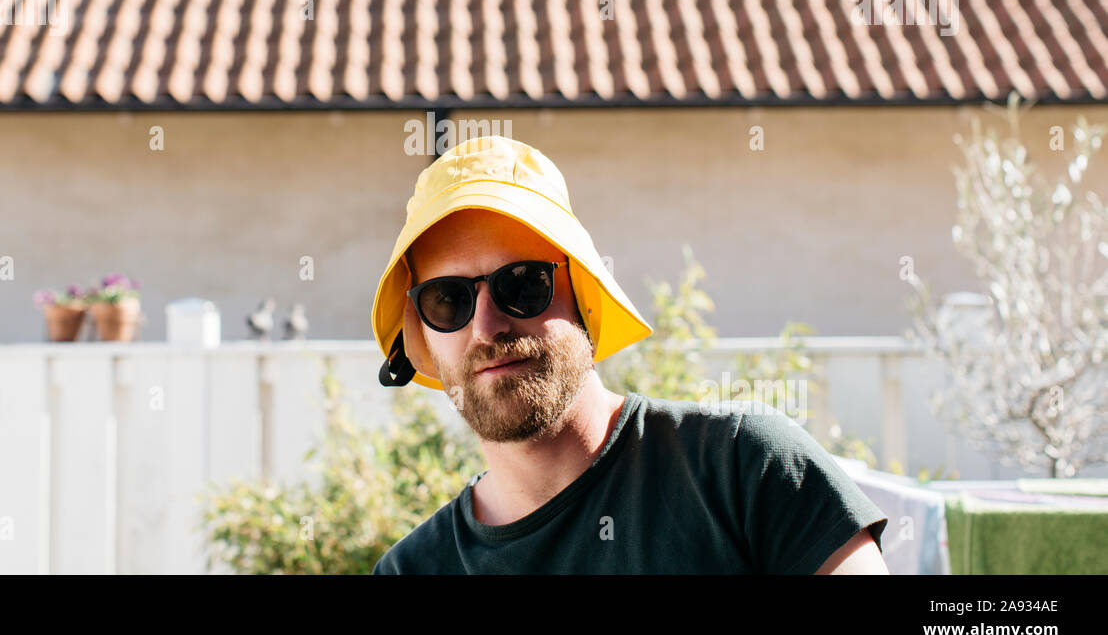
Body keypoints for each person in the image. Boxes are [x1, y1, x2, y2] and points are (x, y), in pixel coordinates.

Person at [370, 135, 889, 574]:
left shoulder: (743, 468)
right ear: (422, 333)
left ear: (584, 293)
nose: (487, 326)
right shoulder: (412, 569)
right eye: (448, 299)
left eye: (522, 284)